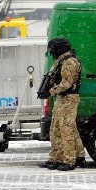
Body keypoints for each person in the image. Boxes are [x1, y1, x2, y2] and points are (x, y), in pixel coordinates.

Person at [37, 38, 86, 171]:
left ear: (59, 49)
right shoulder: (60, 60)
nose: (52, 53)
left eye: (53, 51)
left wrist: (50, 92)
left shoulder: (69, 62)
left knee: (65, 129)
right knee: (57, 129)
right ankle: (61, 157)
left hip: (68, 98)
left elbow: (66, 83)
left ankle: (69, 160)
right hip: (62, 98)